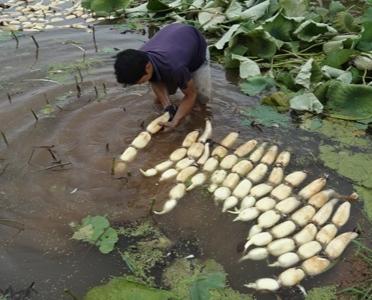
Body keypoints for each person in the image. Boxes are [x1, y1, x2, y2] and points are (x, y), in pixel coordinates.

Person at [114, 23, 211, 130]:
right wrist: (167, 106)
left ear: (148, 67)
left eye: (140, 81)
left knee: (201, 98)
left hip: (195, 46)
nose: (141, 83)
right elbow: (154, 79)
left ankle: (200, 124)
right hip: (173, 41)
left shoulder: (174, 67)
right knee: (164, 96)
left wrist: (176, 120)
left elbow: (191, 95)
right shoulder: (140, 58)